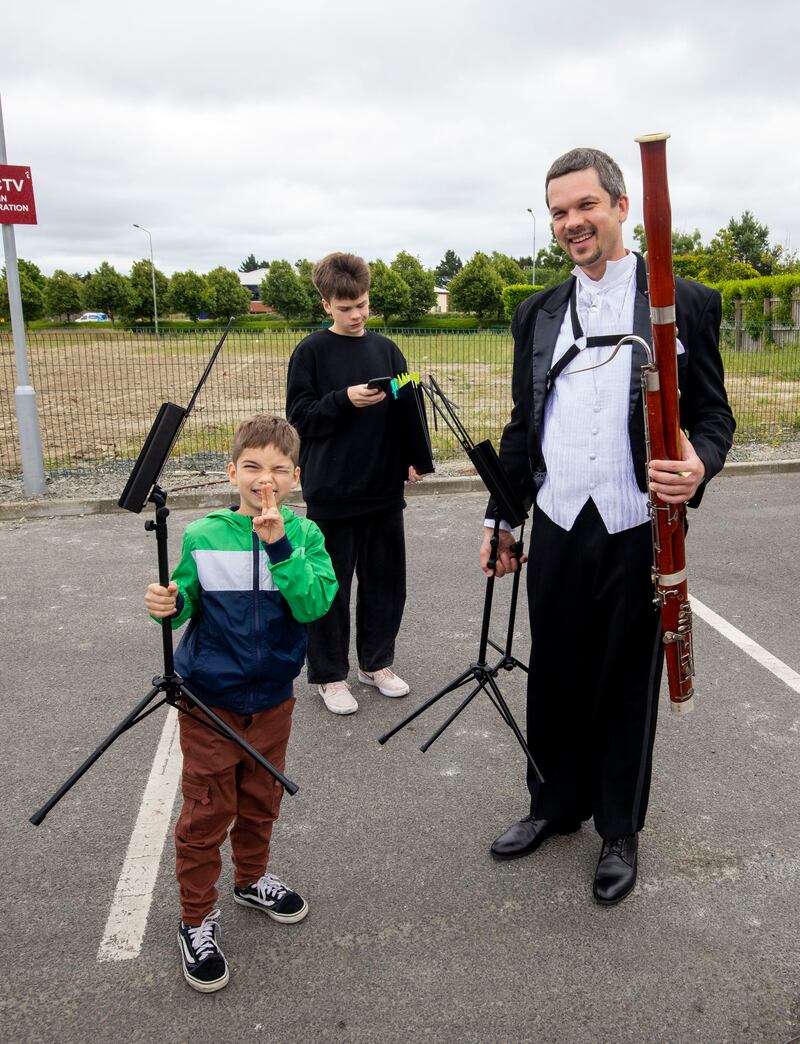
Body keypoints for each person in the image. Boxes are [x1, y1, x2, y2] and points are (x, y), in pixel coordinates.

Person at [481, 148, 735, 905]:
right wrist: (503, 514)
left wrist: (700, 465)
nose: (571, 224)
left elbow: (714, 417)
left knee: (626, 681)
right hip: (559, 520)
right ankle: (555, 807)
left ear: (623, 206)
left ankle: (619, 827)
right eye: (559, 212)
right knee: (554, 671)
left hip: (635, 526)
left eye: (584, 206)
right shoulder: (537, 313)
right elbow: (528, 422)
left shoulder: (684, 302)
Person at [145, 414, 338, 992]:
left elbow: (313, 608)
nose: (264, 480)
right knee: (207, 809)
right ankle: (196, 917)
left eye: (278, 470)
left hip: (272, 699)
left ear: (295, 478)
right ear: (232, 472)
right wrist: (166, 603)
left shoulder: (306, 537)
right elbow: (183, 604)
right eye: (252, 467)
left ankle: (251, 878)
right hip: (209, 701)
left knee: (260, 797)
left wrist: (280, 547)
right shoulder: (204, 535)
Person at [286, 252, 421, 716]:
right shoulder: (310, 352)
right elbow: (299, 418)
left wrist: (414, 457)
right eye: (346, 308)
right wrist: (343, 399)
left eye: (362, 304)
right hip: (332, 492)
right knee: (331, 586)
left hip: (383, 489)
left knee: (385, 583)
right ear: (326, 305)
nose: (357, 314)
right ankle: (329, 676)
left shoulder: (387, 350)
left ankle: (376, 664)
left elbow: (409, 404)